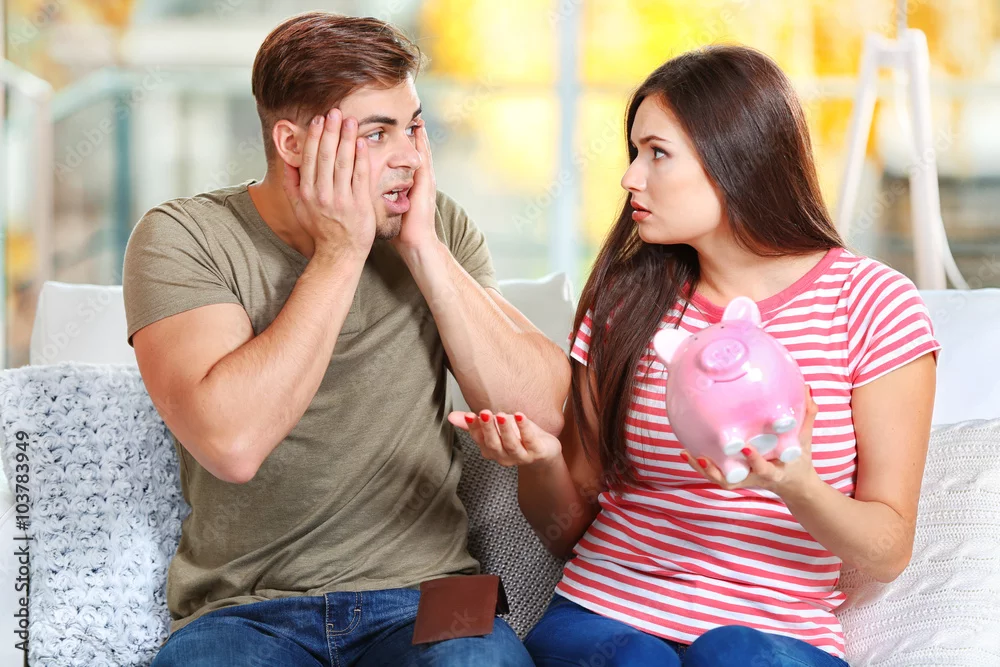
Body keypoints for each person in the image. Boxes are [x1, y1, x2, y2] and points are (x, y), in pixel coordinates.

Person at [452, 45, 940, 667]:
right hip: (606, 615)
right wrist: (542, 462)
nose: (631, 178)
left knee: (732, 653)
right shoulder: (625, 300)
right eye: (634, 153)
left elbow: (888, 551)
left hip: (774, 639)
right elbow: (567, 531)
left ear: (737, 156)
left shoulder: (872, 304)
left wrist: (796, 485)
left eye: (657, 153)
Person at [122, 11, 568, 667]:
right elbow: (232, 444)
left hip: (429, 597)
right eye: (377, 133)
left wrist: (424, 249)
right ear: (292, 143)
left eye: (413, 127)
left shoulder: (433, 226)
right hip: (245, 612)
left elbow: (547, 416)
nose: (409, 156)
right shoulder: (185, 237)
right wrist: (340, 251)